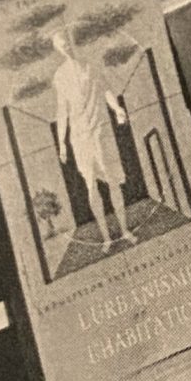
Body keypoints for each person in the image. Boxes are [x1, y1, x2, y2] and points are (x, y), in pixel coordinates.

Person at [46, 28, 133, 249]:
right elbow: (62, 111)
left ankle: (124, 231)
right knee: (91, 186)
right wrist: (62, 143)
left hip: (100, 131)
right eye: (61, 45)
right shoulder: (60, 76)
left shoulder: (91, 64)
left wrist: (117, 109)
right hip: (80, 138)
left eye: (67, 41)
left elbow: (106, 91)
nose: (66, 46)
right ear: (58, 49)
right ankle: (106, 238)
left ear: (71, 41)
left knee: (112, 181)